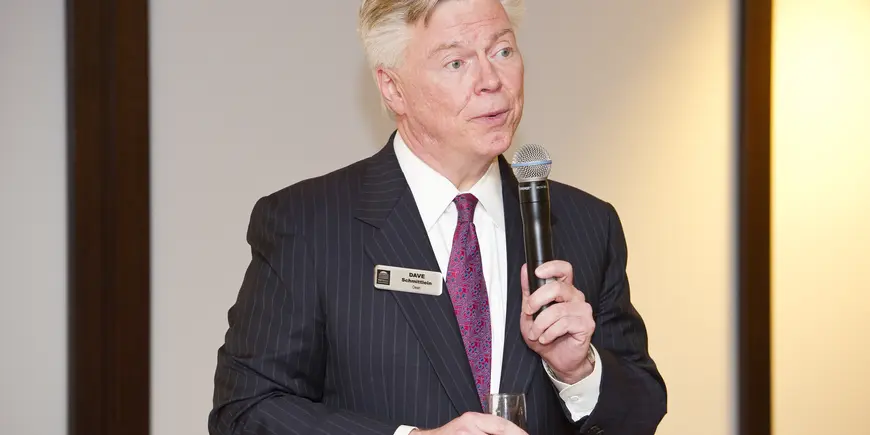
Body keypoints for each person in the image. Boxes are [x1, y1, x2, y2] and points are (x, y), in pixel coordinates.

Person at [208, 0, 666, 434]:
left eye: (502, 50)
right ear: (393, 88)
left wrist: (579, 370)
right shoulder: (307, 225)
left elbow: (641, 413)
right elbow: (245, 411)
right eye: (456, 63)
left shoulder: (586, 223)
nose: (491, 80)